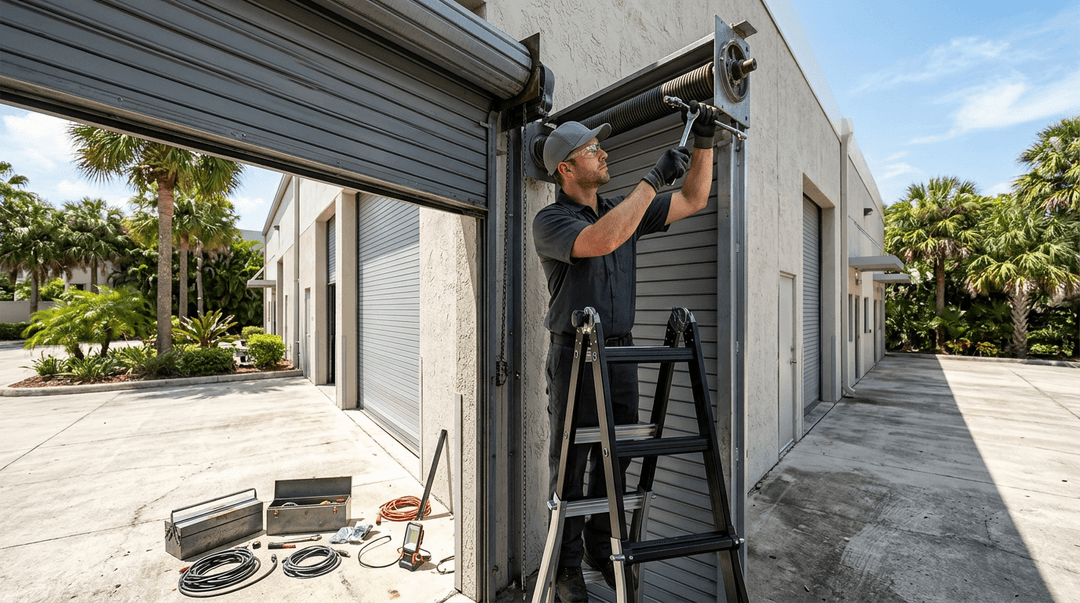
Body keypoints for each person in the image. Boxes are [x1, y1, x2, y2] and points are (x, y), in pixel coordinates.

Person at [532, 101, 719, 602]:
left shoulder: (624, 205)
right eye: (592, 149)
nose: (603, 152)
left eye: (600, 145)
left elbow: (696, 198)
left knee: (617, 458)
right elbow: (600, 240)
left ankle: (598, 545)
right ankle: (566, 567)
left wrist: (703, 141)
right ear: (566, 168)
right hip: (574, 354)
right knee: (571, 462)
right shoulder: (550, 220)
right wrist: (653, 179)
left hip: (619, 354)